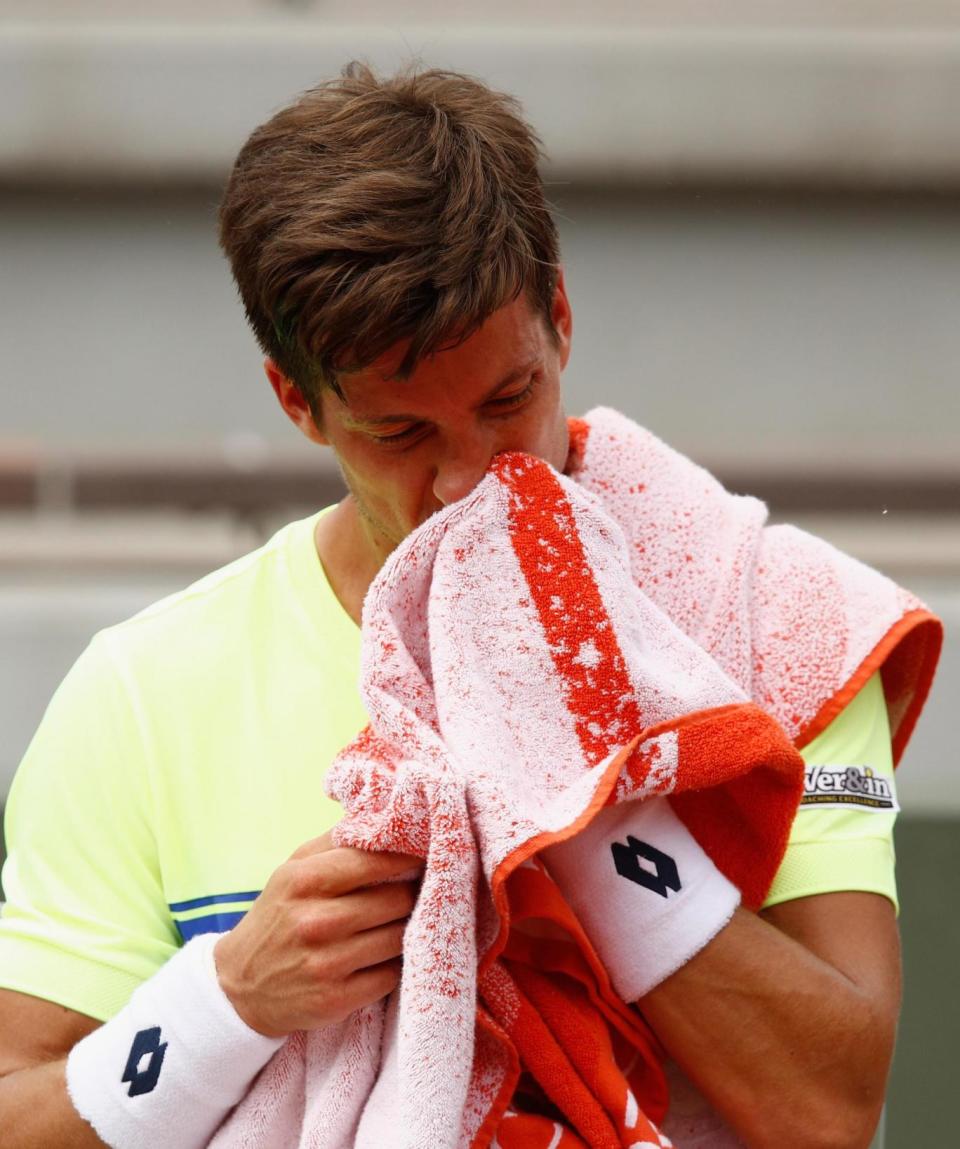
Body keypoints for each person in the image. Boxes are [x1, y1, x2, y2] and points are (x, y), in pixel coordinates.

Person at [0, 63, 920, 1148]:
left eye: (507, 400)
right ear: (297, 403)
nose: (472, 478)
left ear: (560, 319)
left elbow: (831, 1112)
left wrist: (580, 824)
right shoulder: (141, 693)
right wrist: (227, 1004)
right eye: (402, 434)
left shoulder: (776, 619)